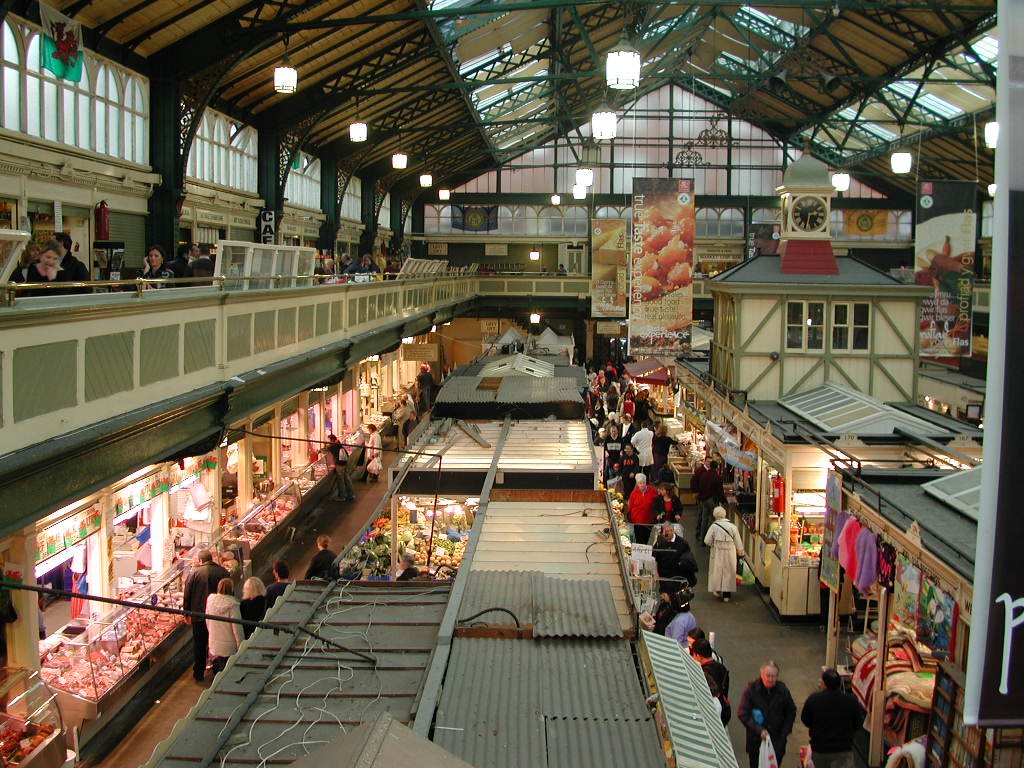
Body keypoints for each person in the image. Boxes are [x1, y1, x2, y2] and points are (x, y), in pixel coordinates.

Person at [738, 661, 798, 768]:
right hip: (756, 741)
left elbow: (791, 711)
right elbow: (743, 713)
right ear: (761, 675)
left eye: (773, 676)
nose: (770, 679)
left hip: (777, 741)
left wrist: (784, 733)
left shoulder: (782, 691)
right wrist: (758, 729)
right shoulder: (751, 690)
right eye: (768, 676)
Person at [801, 669, 864, 768]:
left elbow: (805, 720)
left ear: (824, 684)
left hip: (820, 750)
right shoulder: (851, 701)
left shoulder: (814, 699)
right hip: (844, 750)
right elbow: (858, 724)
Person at [182, 549, 230, 681]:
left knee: (199, 643)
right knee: (215, 640)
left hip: (198, 615)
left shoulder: (194, 573)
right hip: (217, 614)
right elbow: (229, 590)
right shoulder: (223, 572)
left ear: (201, 561)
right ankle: (217, 669)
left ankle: (199, 672)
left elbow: (187, 593)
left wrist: (186, 613)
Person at [705, 505, 745, 602]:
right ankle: (727, 595)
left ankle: (718, 590)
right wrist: (741, 553)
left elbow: (707, 541)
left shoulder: (714, 526)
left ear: (715, 515)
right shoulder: (733, 526)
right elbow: (738, 542)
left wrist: (713, 544)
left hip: (717, 552)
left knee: (717, 571)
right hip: (730, 552)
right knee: (729, 572)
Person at [205, 578, 244, 674]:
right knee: (227, 675)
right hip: (228, 649)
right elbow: (237, 630)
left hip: (214, 646)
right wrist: (242, 647)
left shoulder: (210, 602)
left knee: (217, 674)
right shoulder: (233, 606)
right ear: (232, 589)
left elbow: (208, 622)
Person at [693, 638, 732, 725]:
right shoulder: (721, 667)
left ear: (698, 656)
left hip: (716, 710)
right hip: (725, 706)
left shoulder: (704, 673)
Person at [653, 522, 698, 593]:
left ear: (673, 530)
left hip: (677, 577)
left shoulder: (682, 543)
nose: (668, 533)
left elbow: (688, 558)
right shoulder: (660, 542)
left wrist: (682, 563)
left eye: (670, 531)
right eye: (666, 532)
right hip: (664, 577)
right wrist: (656, 572)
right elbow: (655, 557)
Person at [692, 456, 724, 542]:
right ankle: (712, 539)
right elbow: (719, 490)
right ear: (717, 467)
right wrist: (723, 500)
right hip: (711, 500)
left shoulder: (704, 474)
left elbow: (700, 485)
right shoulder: (717, 477)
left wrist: (699, 495)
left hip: (703, 499)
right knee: (714, 519)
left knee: (704, 519)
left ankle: (702, 538)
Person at [627, 472, 659, 546]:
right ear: (637, 484)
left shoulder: (653, 491)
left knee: (646, 539)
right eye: (640, 483)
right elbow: (630, 506)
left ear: (646, 482)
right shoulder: (634, 493)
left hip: (648, 522)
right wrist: (629, 518)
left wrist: (656, 516)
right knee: (638, 539)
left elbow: (658, 503)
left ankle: (644, 553)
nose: (642, 485)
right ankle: (640, 554)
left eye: (643, 483)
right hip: (637, 522)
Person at [323, 434, 355, 501]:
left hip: (339, 465)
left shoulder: (332, 446)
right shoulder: (338, 443)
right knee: (347, 479)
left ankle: (342, 496)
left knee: (340, 480)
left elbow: (324, 450)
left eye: (328, 440)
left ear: (331, 440)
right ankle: (350, 494)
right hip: (344, 463)